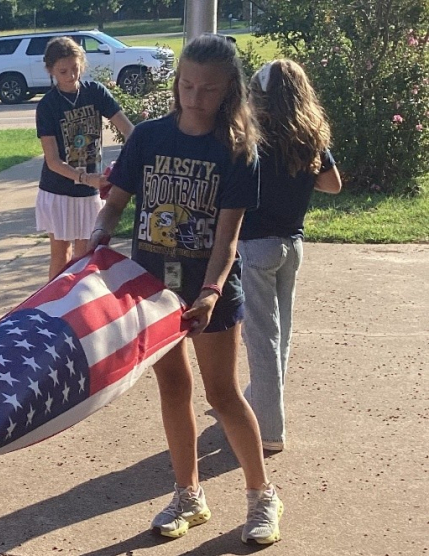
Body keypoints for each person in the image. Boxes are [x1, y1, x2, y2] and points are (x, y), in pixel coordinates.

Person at [87, 35, 283, 545]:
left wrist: (211, 291)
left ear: (229, 90)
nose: (195, 97)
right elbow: (116, 202)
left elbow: (228, 238)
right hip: (154, 288)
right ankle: (188, 495)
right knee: (173, 388)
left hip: (208, 291)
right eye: (187, 85)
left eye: (208, 89)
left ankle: (262, 496)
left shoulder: (237, 151)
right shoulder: (148, 137)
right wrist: (101, 231)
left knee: (222, 393)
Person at [239, 59, 341, 453]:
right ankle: (259, 397)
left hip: (256, 244)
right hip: (292, 244)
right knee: (280, 332)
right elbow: (332, 184)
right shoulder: (309, 135)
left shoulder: (253, 136)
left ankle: (268, 429)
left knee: (261, 337)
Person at [35, 36, 135, 280]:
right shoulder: (47, 106)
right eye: (63, 71)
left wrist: (125, 164)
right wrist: (85, 178)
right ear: (50, 71)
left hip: (90, 192)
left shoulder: (95, 92)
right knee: (61, 255)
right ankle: (55, 301)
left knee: (86, 255)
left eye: (75, 67)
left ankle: (79, 301)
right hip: (58, 190)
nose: (71, 75)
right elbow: (52, 160)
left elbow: (129, 130)